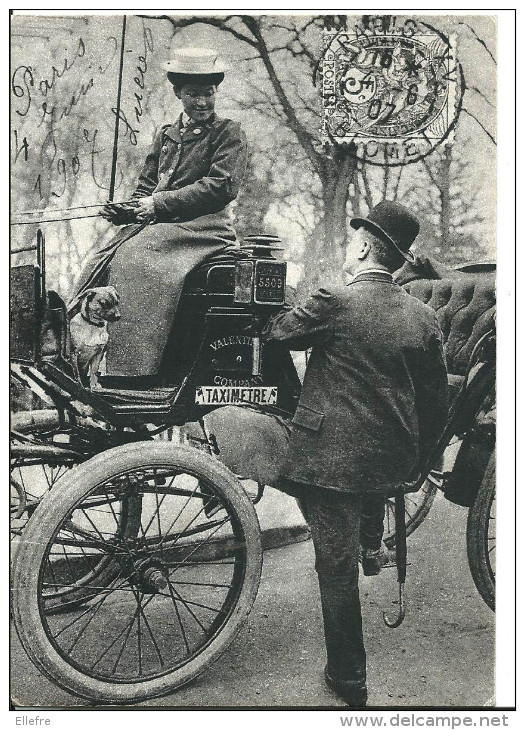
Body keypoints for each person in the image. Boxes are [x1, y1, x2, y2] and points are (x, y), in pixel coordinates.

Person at [262, 201, 449, 706]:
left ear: (365, 246)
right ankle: (373, 542)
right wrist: (419, 461)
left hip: (331, 461)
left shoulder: (334, 301)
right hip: (391, 459)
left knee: (334, 569)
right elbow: (436, 401)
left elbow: (277, 332)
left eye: (355, 242)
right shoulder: (424, 316)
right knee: (366, 492)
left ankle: (348, 678)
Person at [69, 48, 248, 384]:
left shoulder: (228, 132)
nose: (202, 102)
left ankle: (128, 372)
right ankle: (76, 353)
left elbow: (220, 187)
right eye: (193, 94)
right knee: (102, 256)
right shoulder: (166, 134)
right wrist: (129, 210)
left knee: (134, 257)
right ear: (178, 93)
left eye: (208, 93)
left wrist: (157, 205)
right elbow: (147, 186)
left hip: (204, 227)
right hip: (161, 222)